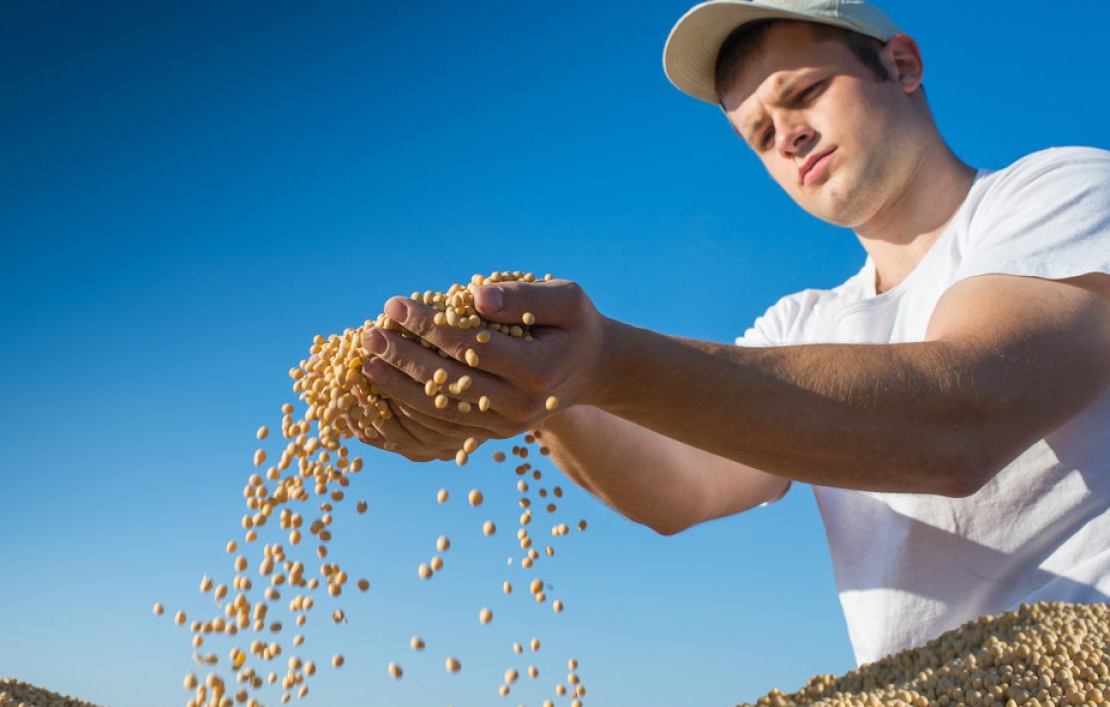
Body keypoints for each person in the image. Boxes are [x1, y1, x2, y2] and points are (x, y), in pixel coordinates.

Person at [352, 0, 1110, 666]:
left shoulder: (1058, 191)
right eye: (759, 134)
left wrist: (600, 361)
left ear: (902, 65)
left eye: (805, 93)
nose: (789, 137)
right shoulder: (804, 323)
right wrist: (539, 395)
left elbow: (959, 418)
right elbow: (678, 490)